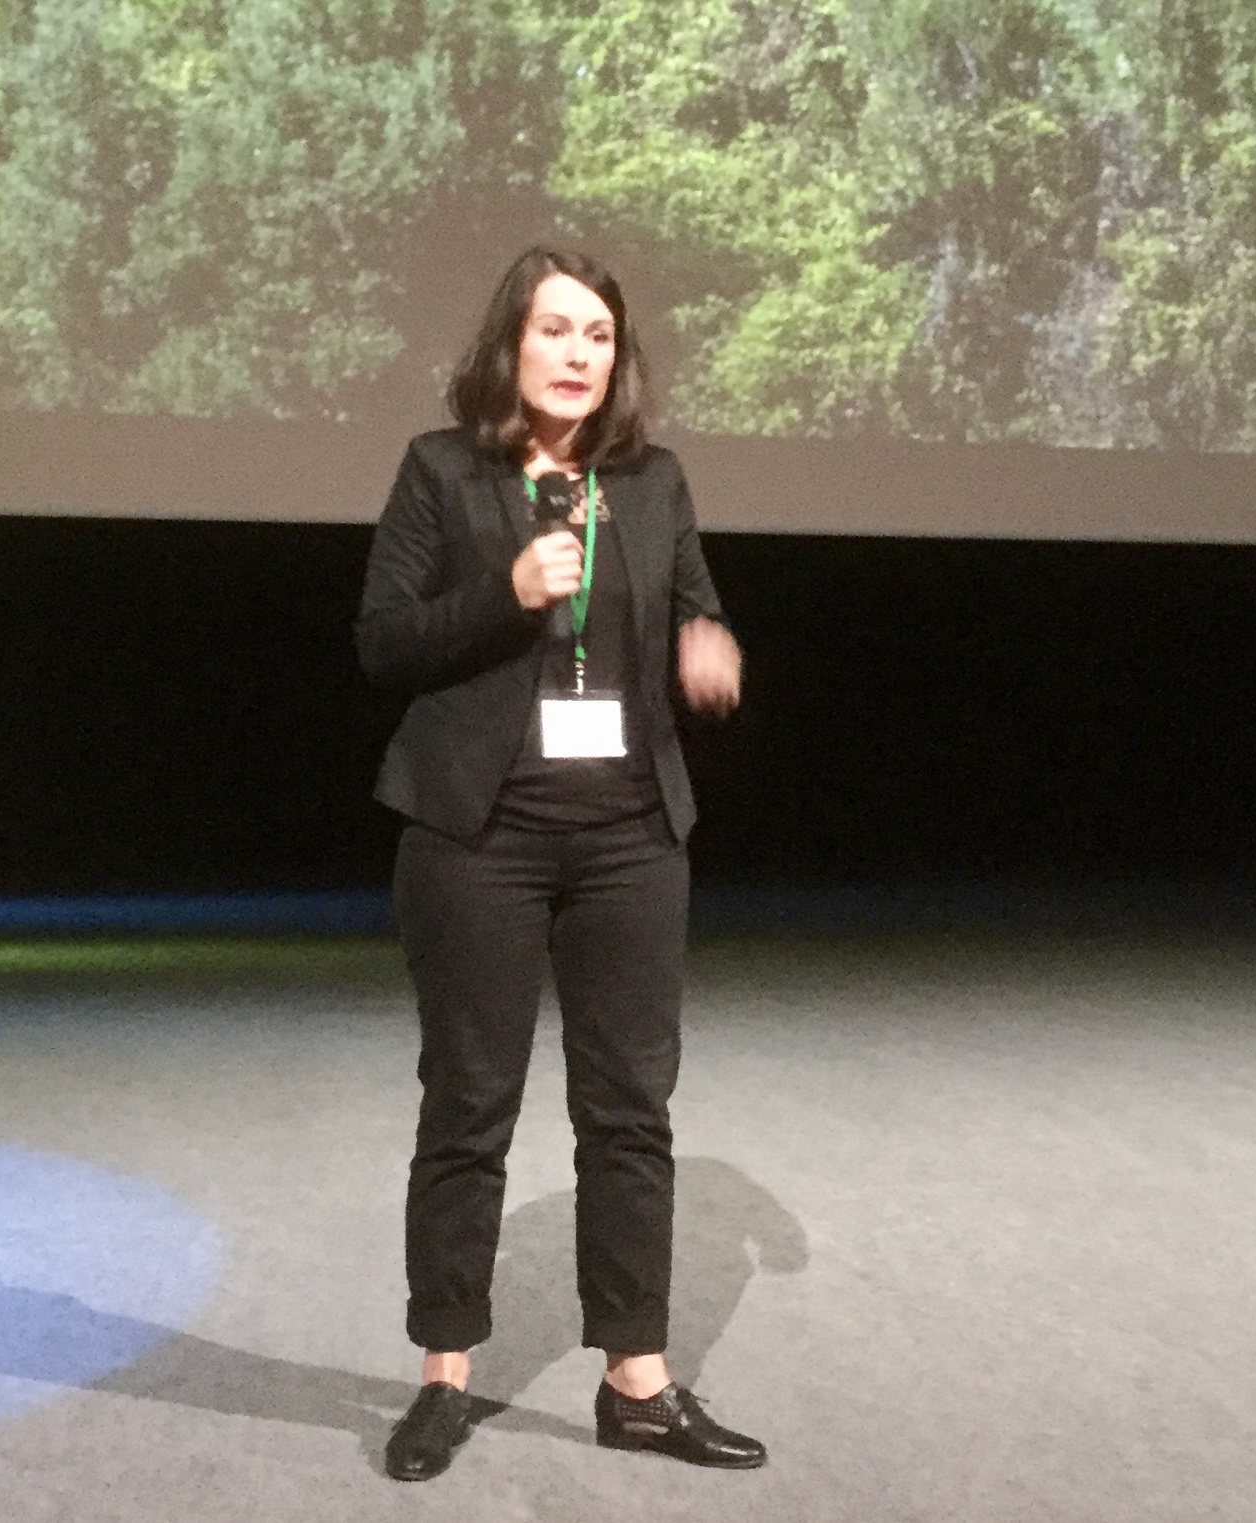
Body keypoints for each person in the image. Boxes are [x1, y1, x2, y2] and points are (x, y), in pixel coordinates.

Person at [355, 246, 762, 1482]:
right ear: (510, 346)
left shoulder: (651, 480)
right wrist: (509, 589)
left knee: (628, 1110)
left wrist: (708, 639)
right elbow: (383, 641)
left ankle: (635, 1380)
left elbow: (698, 601)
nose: (579, 353)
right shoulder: (443, 470)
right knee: (469, 1107)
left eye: (599, 334)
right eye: (555, 330)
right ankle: (443, 1374)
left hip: (630, 835)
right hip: (479, 834)